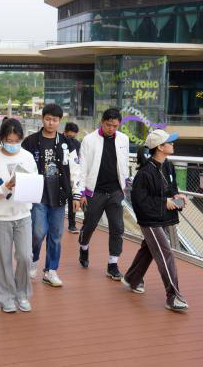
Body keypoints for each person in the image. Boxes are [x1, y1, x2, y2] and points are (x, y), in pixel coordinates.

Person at [123, 129, 189, 312]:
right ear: (160, 147)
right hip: (149, 220)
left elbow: (171, 188)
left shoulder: (168, 165)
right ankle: (173, 296)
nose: (173, 144)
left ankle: (132, 278)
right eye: (170, 142)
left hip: (162, 216)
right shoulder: (144, 173)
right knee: (165, 253)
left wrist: (177, 196)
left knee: (149, 250)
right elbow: (139, 201)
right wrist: (163, 202)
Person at [21, 103, 81, 287]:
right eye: (47, 119)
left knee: (56, 235)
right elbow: (21, 167)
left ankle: (51, 270)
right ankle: (33, 260)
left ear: (59, 121)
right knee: (38, 232)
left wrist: (76, 194)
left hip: (59, 195)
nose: (51, 123)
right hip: (37, 195)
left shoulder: (67, 143)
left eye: (54, 120)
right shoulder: (30, 142)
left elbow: (75, 169)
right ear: (42, 119)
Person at [0, 119, 38, 313]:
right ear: (2, 139)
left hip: (23, 214)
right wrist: (6, 186)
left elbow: (35, 181)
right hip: (0, 217)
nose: (12, 144)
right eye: (8, 140)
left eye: (16, 141)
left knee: (25, 256)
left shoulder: (27, 157)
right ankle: (6, 297)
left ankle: (22, 294)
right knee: (3, 260)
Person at [77, 108, 130, 281]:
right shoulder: (89, 140)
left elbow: (124, 163)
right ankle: (84, 247)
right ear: (102, 122)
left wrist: (125, 185)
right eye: (109, 125)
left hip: (115, 191)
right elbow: (82, 168)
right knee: (89, 225)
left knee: (117, 227)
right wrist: (81, 193)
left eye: (115, 126)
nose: (112, 129)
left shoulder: (123, 139)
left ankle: (112, 265)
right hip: (94, 192)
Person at [63, 122, 81, 233]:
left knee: (72, 199)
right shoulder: (59, 141)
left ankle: (72, 224)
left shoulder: (77, 144)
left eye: (73, 137)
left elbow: (78, 160)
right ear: (64, 132)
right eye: (68, 136)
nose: (70, 139)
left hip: (72, 175)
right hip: (61, 176)